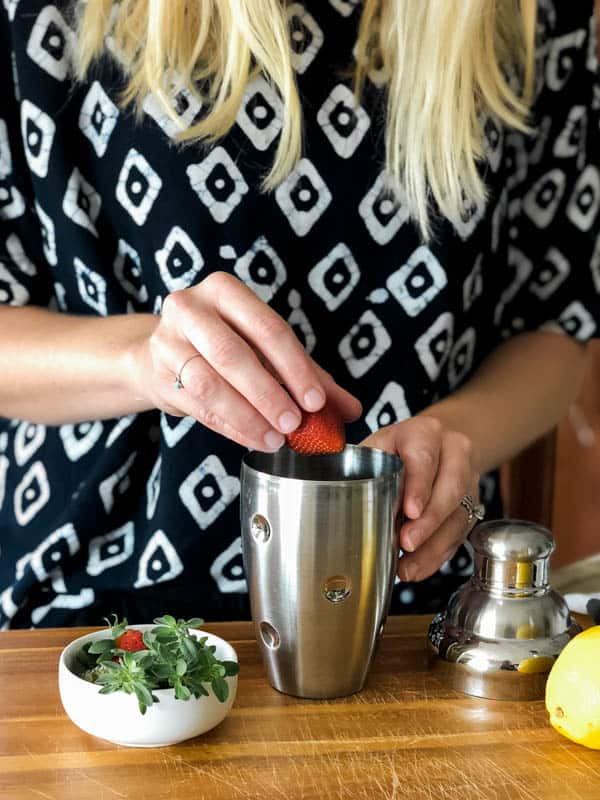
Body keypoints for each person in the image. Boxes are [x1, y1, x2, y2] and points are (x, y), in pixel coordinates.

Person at [0, 0, 598, 628]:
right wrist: (143, 359)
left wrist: (459, 437)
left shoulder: (530, 14)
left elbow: (555, 321)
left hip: (409, 607)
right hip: (96, 606)